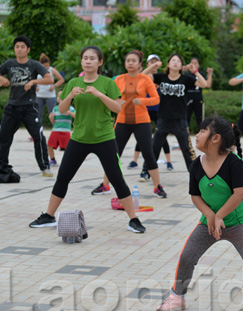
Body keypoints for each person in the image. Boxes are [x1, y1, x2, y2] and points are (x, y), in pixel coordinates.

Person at [155, 116, 243, 311]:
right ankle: (177, 296)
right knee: (187, 256)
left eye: (202, 131)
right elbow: (195, 196)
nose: (197, 135)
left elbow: (239, 194)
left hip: (237, 223)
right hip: (208, 222)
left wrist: (219, 215)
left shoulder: (233, 163)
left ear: (216, 138)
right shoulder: (196, 164)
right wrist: (210, 215)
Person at [28, 46, 146, 233]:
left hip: (104, 138)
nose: (88, 61)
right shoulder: (74, 83)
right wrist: (71, 95)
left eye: (92, 58)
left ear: (99, 62)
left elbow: (117, 108)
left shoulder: (108, 83)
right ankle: (49, 216)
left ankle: (134, 219)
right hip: (79, 138)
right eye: (85, 58)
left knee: (116, 178)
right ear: (81, 61)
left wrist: (99, 94)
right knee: (63, 177)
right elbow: (63, 109)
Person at [91, 50, 167, 198]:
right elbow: (110, 97)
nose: (130, 63)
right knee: (113, 154)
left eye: (133, 61)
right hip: (122, 121)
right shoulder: (118, 79)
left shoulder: (145, 79)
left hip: (142, 121)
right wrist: (116, 101)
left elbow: (156, 99)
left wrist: (142, 101)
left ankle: (158, 187)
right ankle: (105, 185)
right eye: (128, 61)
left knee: (148, 154)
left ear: (140, 64)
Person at [0, 36, 53, 178]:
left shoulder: (34, 64)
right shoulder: (9, 63)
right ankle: (2, 165)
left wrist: (33, 82)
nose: (19, 49)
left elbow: (49, 79)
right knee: (3, 137)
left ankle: (45, 166)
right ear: (14, 49)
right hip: (12, 107)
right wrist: (1, 80)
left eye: (22, 47)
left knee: (38, 137)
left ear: (28, 49)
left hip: (30, 107)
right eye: (17, 47)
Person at [150, 54, 207, 172]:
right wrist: (153, 67)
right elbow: (143, 77)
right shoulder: (161, 77)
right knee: (155, 147)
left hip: (180, 119)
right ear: (168, 64)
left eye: (178, 61)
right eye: (173, 60)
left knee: (187, 148)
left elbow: (203, 84)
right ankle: (146, 171)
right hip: (163, 118)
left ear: (182, 66)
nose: (175, 62)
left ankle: (193, 172)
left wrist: (195, 71)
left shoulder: (186, 79)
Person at [129, 54, 174, 175]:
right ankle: (134, 161)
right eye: (151, 62)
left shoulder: (161, 77)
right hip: (145, 109)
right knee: (142, 136)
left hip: (159, 110)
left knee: (161, 136)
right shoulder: (146, 77)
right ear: (147, 64)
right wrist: (153, 65)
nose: (154, 64)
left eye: (156, 62)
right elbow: (142, 75)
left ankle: (169, 161)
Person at [47, 92, 75, 167]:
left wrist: (68, 112)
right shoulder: (55, 108)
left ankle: (68, 161)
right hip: (55, 130)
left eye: (62, 96)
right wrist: (51, 118)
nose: (60, 98)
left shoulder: (70, 108)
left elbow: (76, 116)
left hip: (65, 131)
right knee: (49, 145)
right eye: (58, 96)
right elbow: (53, 121)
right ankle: (52, 159)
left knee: (68, 148)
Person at [36, 53, 64, 125]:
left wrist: (54, 86)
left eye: (47, 66)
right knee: (37, 114)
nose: (46, 68)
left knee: (53, 113)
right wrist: (35, 86)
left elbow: (61, 79)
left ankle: (56, 129)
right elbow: (32, 80)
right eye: (44, 66)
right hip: (39, 95)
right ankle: (37, 132)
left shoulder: (52, 70)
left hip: (50, 95)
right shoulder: (37, 70)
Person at [186, 57, 213, 129]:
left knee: (200, 118)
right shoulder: (186, 75)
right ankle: (185, 135)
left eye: (195, 63)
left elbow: (208, 85)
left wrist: (209, 74)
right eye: (192, 63)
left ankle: (202, 133)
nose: (193, 65)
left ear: (198, 65)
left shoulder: (201, 75)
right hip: (188, 98)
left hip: (198, 98)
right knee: (186, 118)